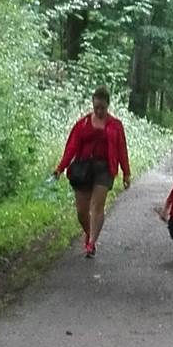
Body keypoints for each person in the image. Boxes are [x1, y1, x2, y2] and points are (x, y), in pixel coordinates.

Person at [53, 85, 131, 258]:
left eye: (102, 108)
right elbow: (71, 148)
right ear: (92, 104)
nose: (99, 111)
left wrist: (126, 172)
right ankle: (89, 233)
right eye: (96, 107)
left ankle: (92, 243)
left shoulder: (115, 125)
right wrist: (60, 168)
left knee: (97, 206)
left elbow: (121, 149)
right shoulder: (83, 124)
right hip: (83, 168)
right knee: (81, 211)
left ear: (108, 106)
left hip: (105, 169)